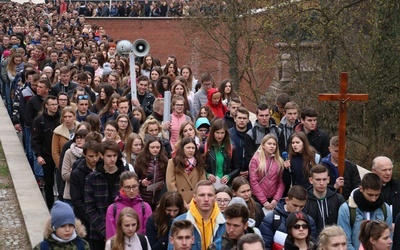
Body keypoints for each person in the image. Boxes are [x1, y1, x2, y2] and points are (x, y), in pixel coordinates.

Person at [85, 140, 127, 250]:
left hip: (123, 231)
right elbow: (90, 209)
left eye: (114, 155)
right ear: (101, 156)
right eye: (109, 156)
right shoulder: (92, 178)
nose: (112, 159)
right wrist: (106, 231)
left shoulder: (125, 176)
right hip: (98, 233)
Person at [337, 173, 392, 250]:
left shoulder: (385, 208)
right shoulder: (346, 209)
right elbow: (344, 241)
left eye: (377, 195)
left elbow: (389, 238)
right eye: (370, 195)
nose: (374, 199)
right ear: (361, 188)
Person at [168, 180, 226, 250]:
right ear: (194, 198)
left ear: (215, 198)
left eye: (210, 195)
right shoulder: (179, 221)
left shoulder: (226, 222)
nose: (206, 199)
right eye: (202, 195)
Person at [259, 185, 317, 250]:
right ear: (287, 200)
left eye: (301, 206)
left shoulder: (309, 220)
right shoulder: (270, 219)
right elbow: (265, 246)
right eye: (295, 205)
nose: (298, 209)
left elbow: (312, 245)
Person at [31, 95, 61, 210]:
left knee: (61, 183)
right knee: (49, 183)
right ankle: (50, 207)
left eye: (56, 104)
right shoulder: (39, 120)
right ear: (46, 106)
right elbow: (35, 139)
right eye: (52, 104)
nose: (55, 106)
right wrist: (38, 155)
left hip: (59, 155)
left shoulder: (60, 118)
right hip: (46, 155)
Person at [70, 139, 101, 246]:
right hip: (85, 218)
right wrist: (91, 216)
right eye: (91, 156)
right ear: (84, 155)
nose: (94, 159)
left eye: (97, 156)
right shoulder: (77, 173)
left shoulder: (103, 169)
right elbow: (76, 200)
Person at [106, 172, 152, 239]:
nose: (131, 190)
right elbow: (111, 236)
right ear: (122, 188)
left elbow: (147, 234)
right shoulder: (112, 209)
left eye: (134, 186)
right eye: (127, 187)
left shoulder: (145, 207)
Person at [305, 165, 345, 235]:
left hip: (335, 241)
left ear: (328, 179)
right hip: (312, 243)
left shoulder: (338, 199)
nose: (321, 183)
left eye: (324, 179)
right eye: (318, 180)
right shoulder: (305, 201)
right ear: (311, 180)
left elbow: (344, 224)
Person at [249, 134, 285, 212]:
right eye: (269, 144)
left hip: (273, 199)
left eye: (274, 144)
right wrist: (264, 201)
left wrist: (276, 199)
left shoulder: (279, 161)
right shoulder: (255, 160)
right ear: (263, 146)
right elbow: (253, 181)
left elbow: (281, 182)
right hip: (258, 198)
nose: (272, 146)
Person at [166, 137, 206, 204]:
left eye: (193, 148)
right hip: (178, 201)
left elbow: (202, 183)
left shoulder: (199, 162)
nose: (191, 150)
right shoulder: (173, 162)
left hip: (194, 201)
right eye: (188, 148)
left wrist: (193, 202)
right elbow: (171, 184)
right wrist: (182, 202)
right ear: (182, 148)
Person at [321, 136, 360, 200]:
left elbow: (357, 186)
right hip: (328, 200)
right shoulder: (322, 166)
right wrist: (334, 187)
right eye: (336, 151)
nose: (339, 154)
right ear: (330, 149)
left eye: (341, 151)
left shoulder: (351, 166)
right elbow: (318, 186)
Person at [203, 118, 240, 186]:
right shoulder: (205, 147)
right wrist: (207, 175)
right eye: (217, 133)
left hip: (225, 185)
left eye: (222, 133)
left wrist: (229, 176)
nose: (220, 136)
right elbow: (199, 168)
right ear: (212, 132)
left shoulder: (231, 147)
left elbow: (237, 168)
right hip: (209, 185)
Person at [134, 137, 168, 209]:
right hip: (144, 196)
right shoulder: (140, 159)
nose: (155, 149)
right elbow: (135, 177)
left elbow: (166, 178)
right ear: (148, 147)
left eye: (157, 147)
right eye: (152, 147)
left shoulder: (164, 160)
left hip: (159, 196)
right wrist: (141, 182)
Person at [244, 103, 282, 168]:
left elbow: (281, 151)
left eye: (266, 115)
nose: (264, 118)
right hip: (258, 169)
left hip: (276, 169)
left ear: (270, 115)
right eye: (261, 115)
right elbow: (250, 157)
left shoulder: (278, 131)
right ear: (256, 116)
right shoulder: (251, 134)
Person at [61, 129, 89, 206]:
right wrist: (79, 173)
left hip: (85, 195)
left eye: (82, 138)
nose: (79, 140)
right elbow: (64, 175)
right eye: (77, 138)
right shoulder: (69, 152)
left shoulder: (90, 153)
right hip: (70, 196)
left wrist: (73, 171)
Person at [228, 107, 252, 178]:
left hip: (250, 174)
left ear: (248, 120)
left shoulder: (252, 135)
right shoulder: (228, 135)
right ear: (235, 119)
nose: (242, 120)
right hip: (232, 174)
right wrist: (235, 172)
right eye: (239, 118)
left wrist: (250, 171)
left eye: (244, 118)